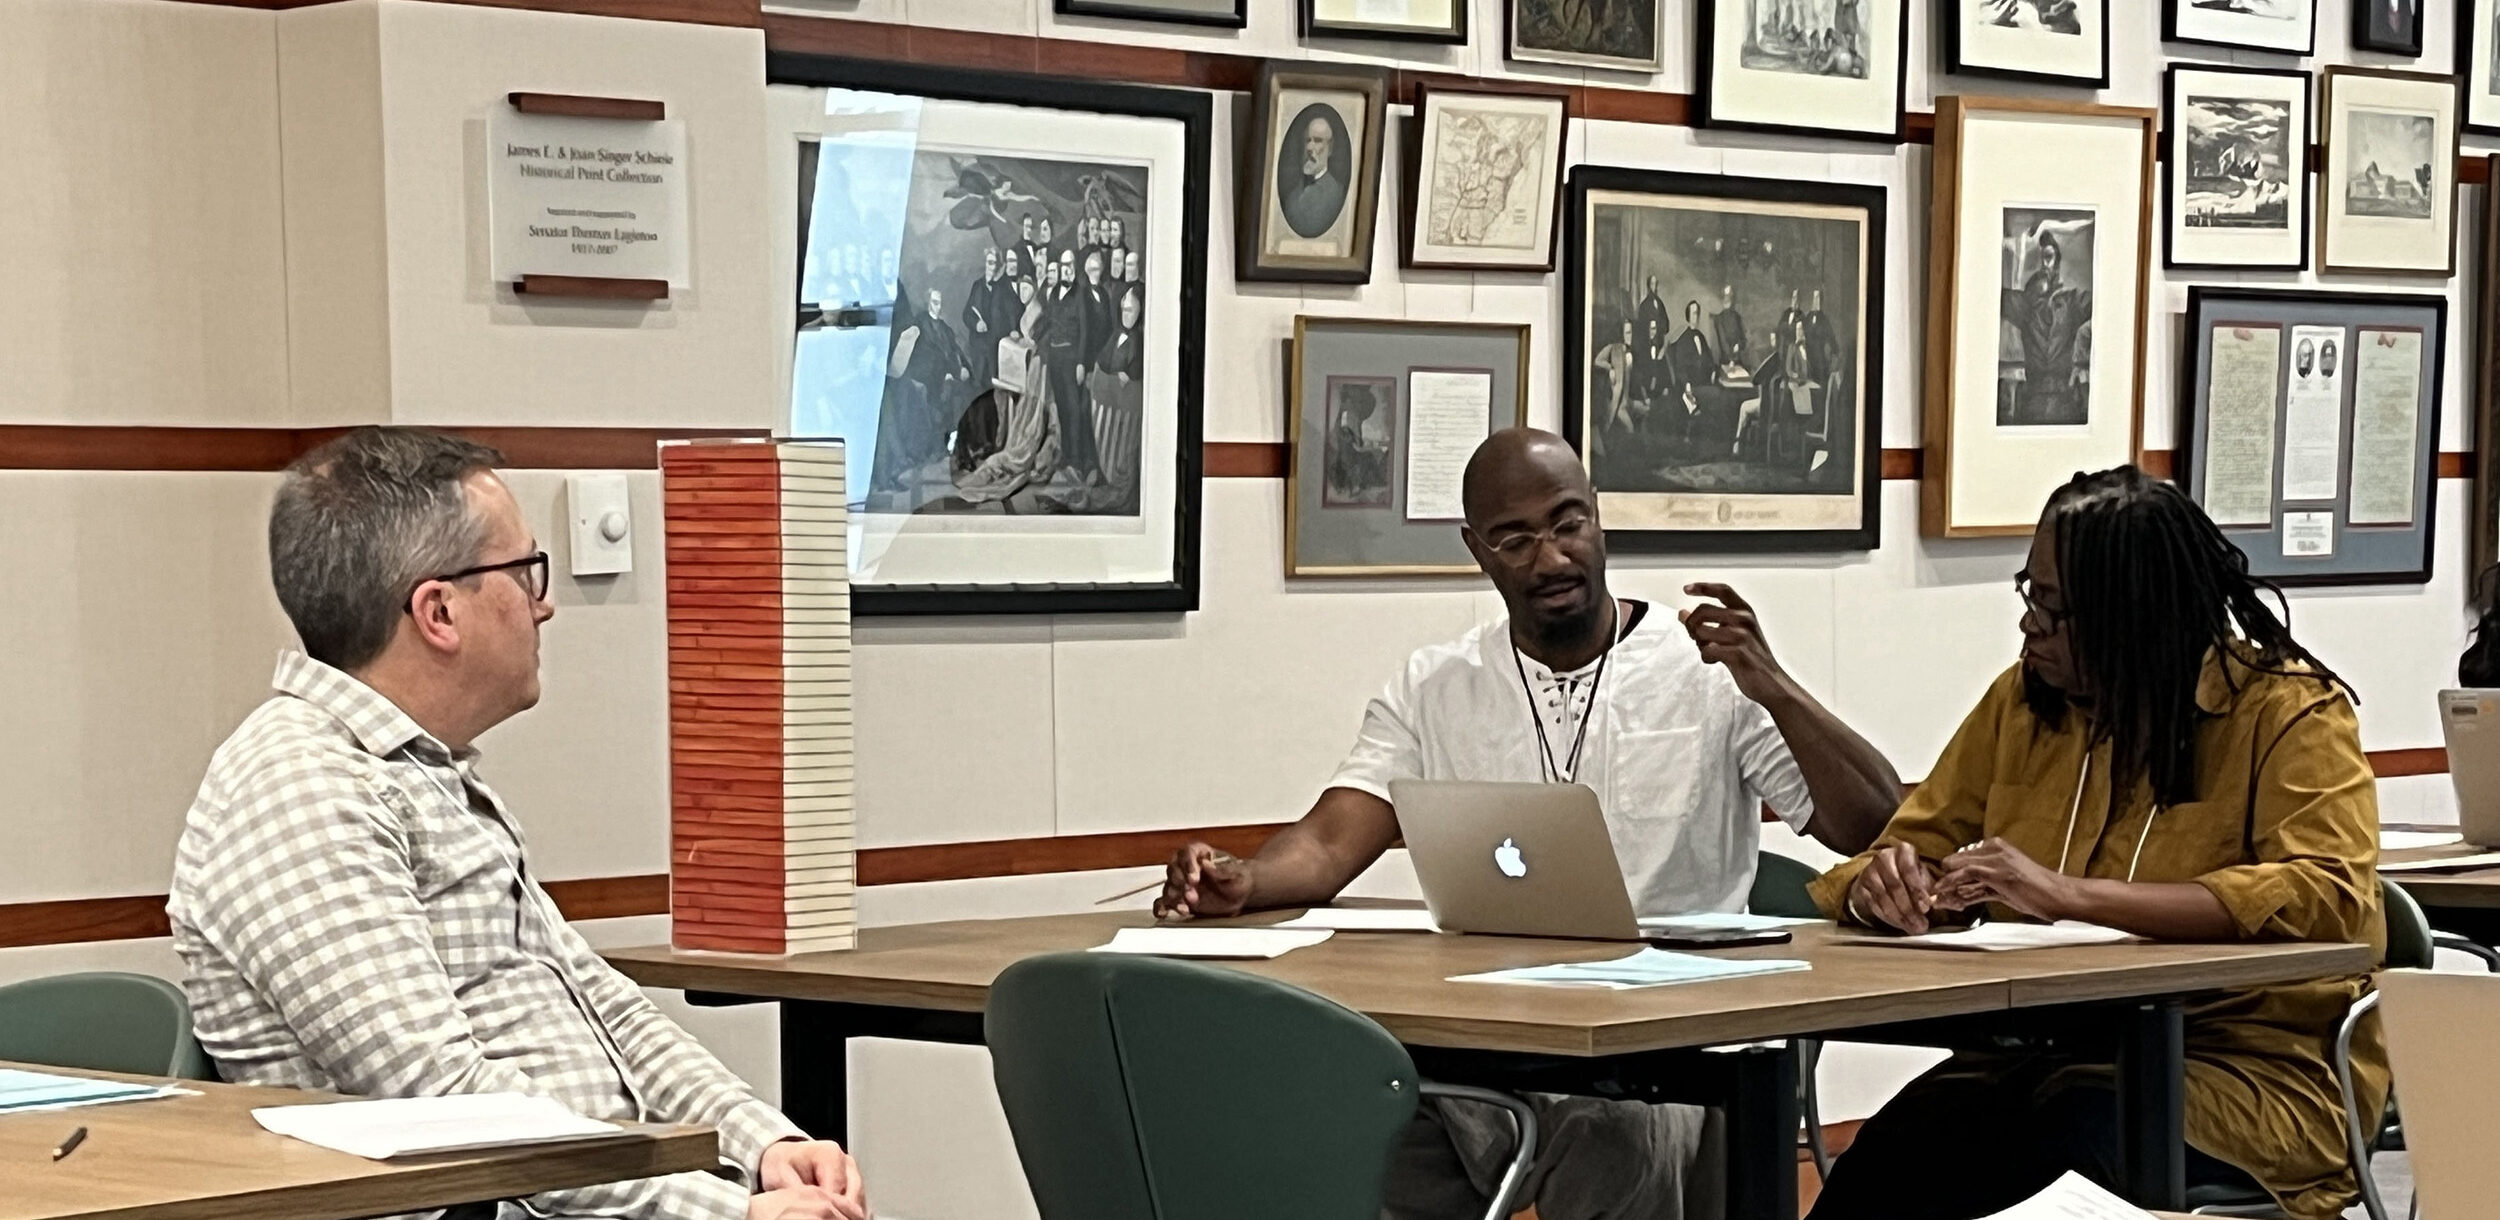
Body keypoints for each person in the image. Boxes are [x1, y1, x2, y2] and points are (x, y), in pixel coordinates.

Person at [1155, 428, 1903, 1220]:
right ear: (1478, 550)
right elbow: (1330, 840)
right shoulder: (1435, 685)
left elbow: (1874, 822)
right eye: (1516, 538)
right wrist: (1246, 882)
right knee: (1355, 1129)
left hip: (1666, 1054)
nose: (1550, 558)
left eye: (1568, 523)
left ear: (1599, 521)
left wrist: (1774, 686)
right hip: (1490, 1040)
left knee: (1615, 1137)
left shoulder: (1708, 672)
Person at [168, 428, 870, 1220]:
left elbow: (602, 1005)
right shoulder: (301, 791)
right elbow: (447, 1104)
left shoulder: (417, 769)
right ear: (439, 611)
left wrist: (760, 1146)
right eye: (524, 571)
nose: (546, 604)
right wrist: (721, 1212)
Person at [1805, 467, 2384, 1220]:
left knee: (2057, 1141)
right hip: (2048, 1055)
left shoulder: (2287, 711)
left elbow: (2328, 896)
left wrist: (2069, 895)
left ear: (2133, 613)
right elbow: (1911, 840)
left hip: (2252, 1068)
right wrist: (1883, 887)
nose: (2028, 627)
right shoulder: (2024, 706)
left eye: (2054, 608)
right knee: (1891, 1159)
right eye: (2028, 593)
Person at [2002, 227, 2091, 424]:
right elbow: (1987, 292)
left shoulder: (2072, 302)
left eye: (2049, 257)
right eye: (2039, 258)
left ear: (2057, 262)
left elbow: (2110, 300)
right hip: (2031, 403)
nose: (2043, 265)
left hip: (2065, 403)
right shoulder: (2024, 304)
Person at [1280, 112, 1349, 239]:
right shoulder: (1291, 197)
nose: (1310, 147)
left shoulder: (1337, 194)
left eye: (1317, 141)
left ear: (1330, 148)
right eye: (1307, 140)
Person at [1711, 285, 1749, 376]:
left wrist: (1738, 345)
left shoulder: (1737, 317)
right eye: (1725, 296)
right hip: (1724, 361)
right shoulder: (1718, 319)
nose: (1727, 299)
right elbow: (1723, 342)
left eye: (1729, 297)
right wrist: (1731, 359)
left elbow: (1743, 339)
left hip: (1737, 361)